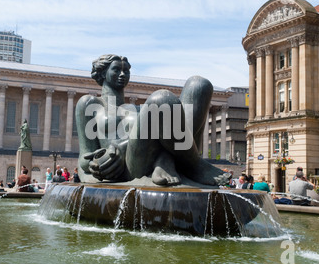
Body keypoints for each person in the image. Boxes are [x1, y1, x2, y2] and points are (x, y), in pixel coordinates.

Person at [76, 54, 229, 187]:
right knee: (161, 99)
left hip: (160, 152)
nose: (123, 74)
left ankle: (165, 161)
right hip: (128, 166)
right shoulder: (90, 104)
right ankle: (194, 165)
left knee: (199, 85)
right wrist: (96, 162)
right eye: (116, 70)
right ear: (102, 73)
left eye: (126, 70)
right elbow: (84, 157)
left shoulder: (136, 109)